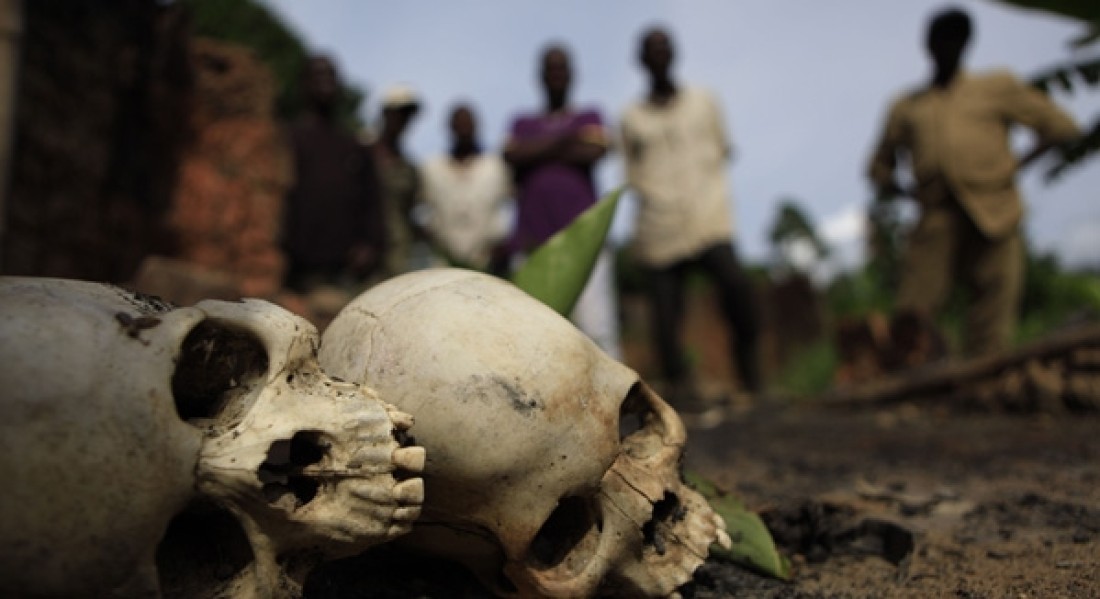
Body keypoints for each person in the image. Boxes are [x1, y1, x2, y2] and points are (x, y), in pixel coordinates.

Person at [867, 7, 1079, 357]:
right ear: (927, 45)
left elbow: (1060, 127)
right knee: (913, 313)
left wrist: (1013, 167)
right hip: (936, 215)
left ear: (966, 44)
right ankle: (918, 384)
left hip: (997, 210)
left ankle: (983, 389)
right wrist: (907, 192)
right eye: (939, 39)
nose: (946, 47)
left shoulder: (996, 87)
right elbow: (878, 168)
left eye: (954, 39)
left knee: (992, 315)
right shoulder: (907, 106)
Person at [620, 27, 761, 398]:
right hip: (660, 227)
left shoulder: (704, 101)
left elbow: (723, 149)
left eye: (664, 46)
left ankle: (752, 379)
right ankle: (681, 394)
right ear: (641, 59)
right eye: (651, 49)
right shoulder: (631, 117)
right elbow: (629, 172)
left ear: (674, 53)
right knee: (665, 317)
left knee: (737, 289)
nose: (659, 54)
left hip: (709, 218)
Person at [504, 44, 621, 359]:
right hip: (532, 242)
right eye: (550, 68)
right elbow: (512, 155)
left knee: (597, 328)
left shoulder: (590, 114)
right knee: (531, 334)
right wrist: (566, 141)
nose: (556, 74)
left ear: (572, 75)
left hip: (585, 240)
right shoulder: (522, 122)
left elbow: (595, 150)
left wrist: (537, 151)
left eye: (561, 68)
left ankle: (617, 406)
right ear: (540, 76)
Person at [282, 55, 385, 297]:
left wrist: (370, 246)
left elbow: (373, 203)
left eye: (330, 76)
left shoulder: (355, 146)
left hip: (345, 274)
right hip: (298, 272)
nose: (325, 83)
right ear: (303, 85)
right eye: (317, 76)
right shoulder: (288, 139)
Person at [419, 103, 512, 272]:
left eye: (467, 123)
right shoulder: (431, 168)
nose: (463, 129)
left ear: (477, 126)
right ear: (449, 128)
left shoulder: (496, 166)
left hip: (487, 264)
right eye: (458, 124)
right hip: (443, 264)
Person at [373, 85, 423, 277]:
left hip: (398, 258)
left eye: (407, 116)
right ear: (386, 114)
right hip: (364, 259)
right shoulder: (362, 154)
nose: (403, 121)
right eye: (399, 114)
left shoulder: (409, 168)